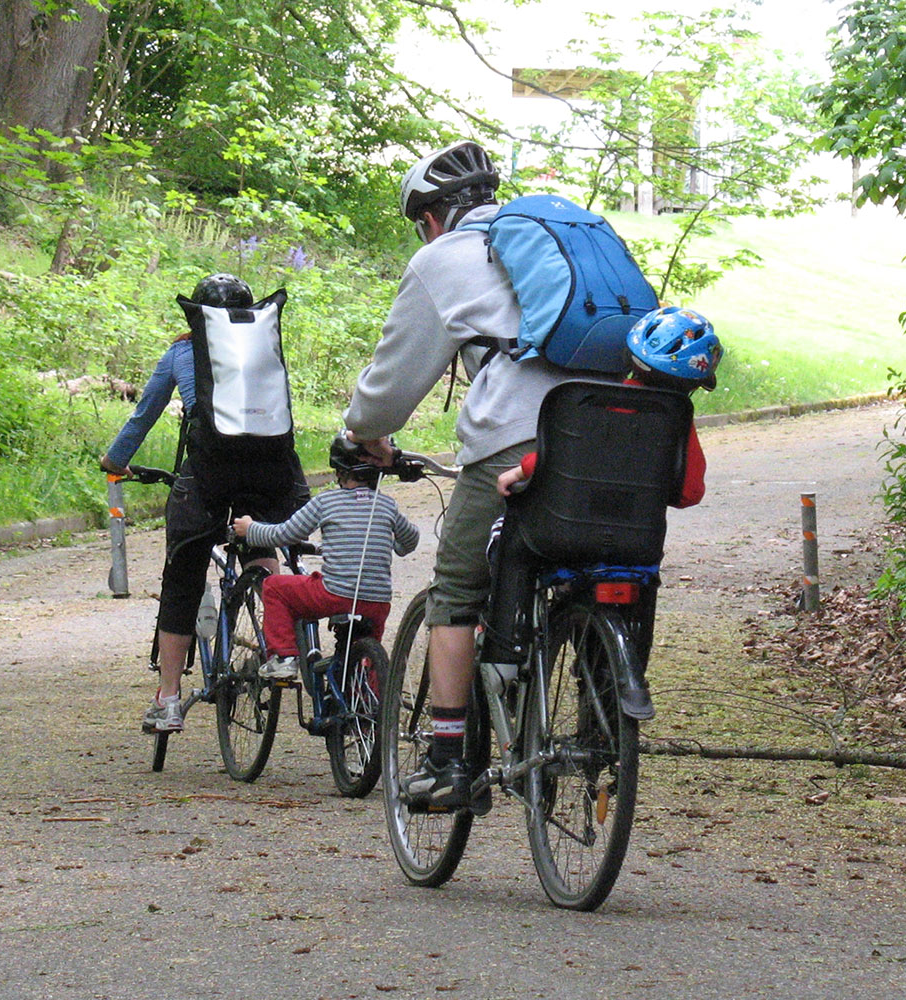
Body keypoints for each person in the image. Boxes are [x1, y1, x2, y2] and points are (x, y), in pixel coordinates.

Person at [343, 140, 574, 809]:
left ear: (434, 217)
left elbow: (388, 389)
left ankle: (449, 764)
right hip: (615, 429)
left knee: (455, 592)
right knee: (597, 565)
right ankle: (598, 696)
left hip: (514, 439)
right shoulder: (556, 236)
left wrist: (364, 433)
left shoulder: (442, 258)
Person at [484, 305, 723, 721]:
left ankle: (505, 654)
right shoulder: (674, 422)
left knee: (510, 541)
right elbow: (689, 492)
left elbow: (558, 460)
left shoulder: (587, 402)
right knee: (639, 577)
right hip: (633, 546)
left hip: (560, 537)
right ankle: (613, 699)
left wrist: (519, 471)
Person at [100, 272, 309, 734]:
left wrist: (116, 460)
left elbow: (145, 413)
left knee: (184, 575)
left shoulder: (181, 351)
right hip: (273, 467)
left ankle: (169, 699)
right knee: (260, 543)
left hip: (211, 471)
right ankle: (279, 652)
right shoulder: (263, 345)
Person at [232, 436, 420, 679]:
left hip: (334, 595)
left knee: (274, 587)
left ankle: (284, 657)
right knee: (365, 661)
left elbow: (284, 534)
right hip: (377, 602)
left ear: (340, 470)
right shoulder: (387, 506)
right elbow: (411, 540)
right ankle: (373, 708)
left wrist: (251, 529)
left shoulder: (327, 502)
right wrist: (394, 545)